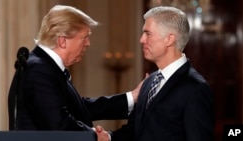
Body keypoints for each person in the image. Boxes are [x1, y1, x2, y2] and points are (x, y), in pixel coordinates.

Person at [8, 5, 143, 138]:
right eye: (84, 37)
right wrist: (95, 136)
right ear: (62, 41)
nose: (88, 43)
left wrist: (132, 97)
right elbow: (60, 126)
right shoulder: (39, 70)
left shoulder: (46, 66)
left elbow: (78, 108)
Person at [95, 6, 214, 141]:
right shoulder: (149, 82)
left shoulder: (195, 88)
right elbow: (134, 132)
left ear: (169, 39)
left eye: (148, 33)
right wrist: (109, 138)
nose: (141, 40)